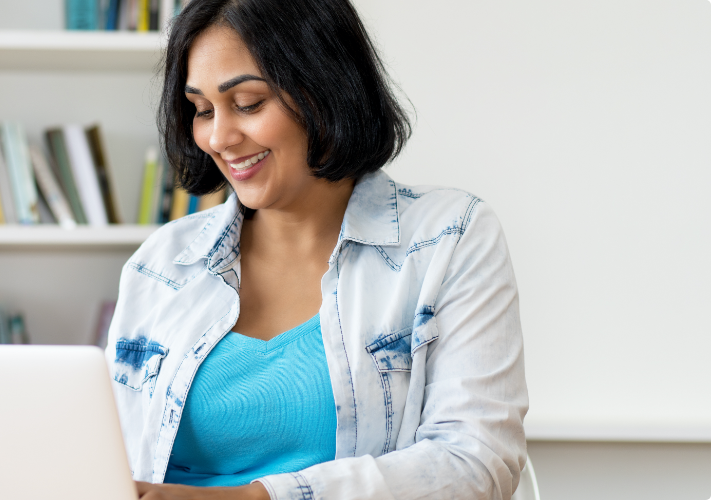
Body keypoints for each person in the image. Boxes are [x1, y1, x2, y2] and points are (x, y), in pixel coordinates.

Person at [106, 0, 529, 498]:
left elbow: (476, 463)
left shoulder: (448, 237)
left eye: (247, 103)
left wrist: (254, 498)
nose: (218, 137)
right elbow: (106, 453)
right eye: (201, 110)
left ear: (325, 90)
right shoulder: (162, 263)